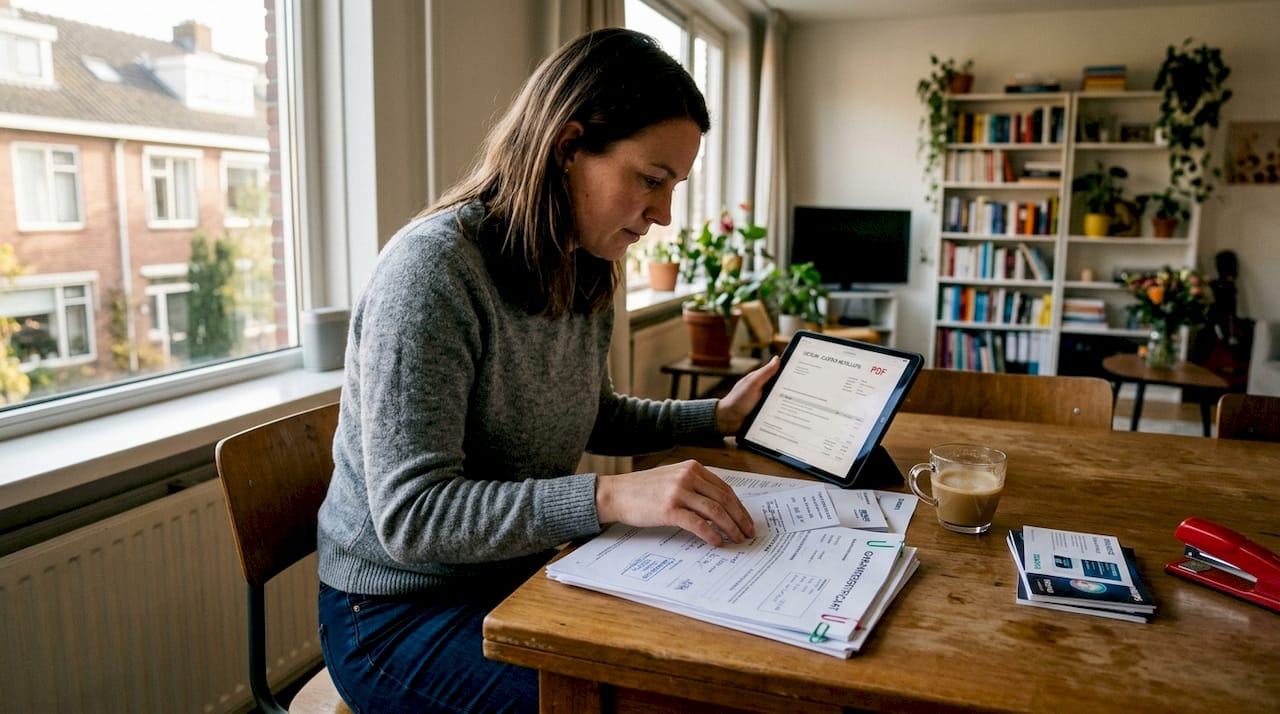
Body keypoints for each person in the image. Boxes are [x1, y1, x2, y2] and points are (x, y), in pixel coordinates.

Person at [316, 28, 780, 713]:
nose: (663, 215)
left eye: (674, 187)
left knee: (714, 667)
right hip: (394, 613)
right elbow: (413, 517)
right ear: (568, 148)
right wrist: (611, 498)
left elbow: (591, 412)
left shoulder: (583, 265)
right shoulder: (432, 271)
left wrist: (719, 416)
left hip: (521, 577)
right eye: (651, 180)